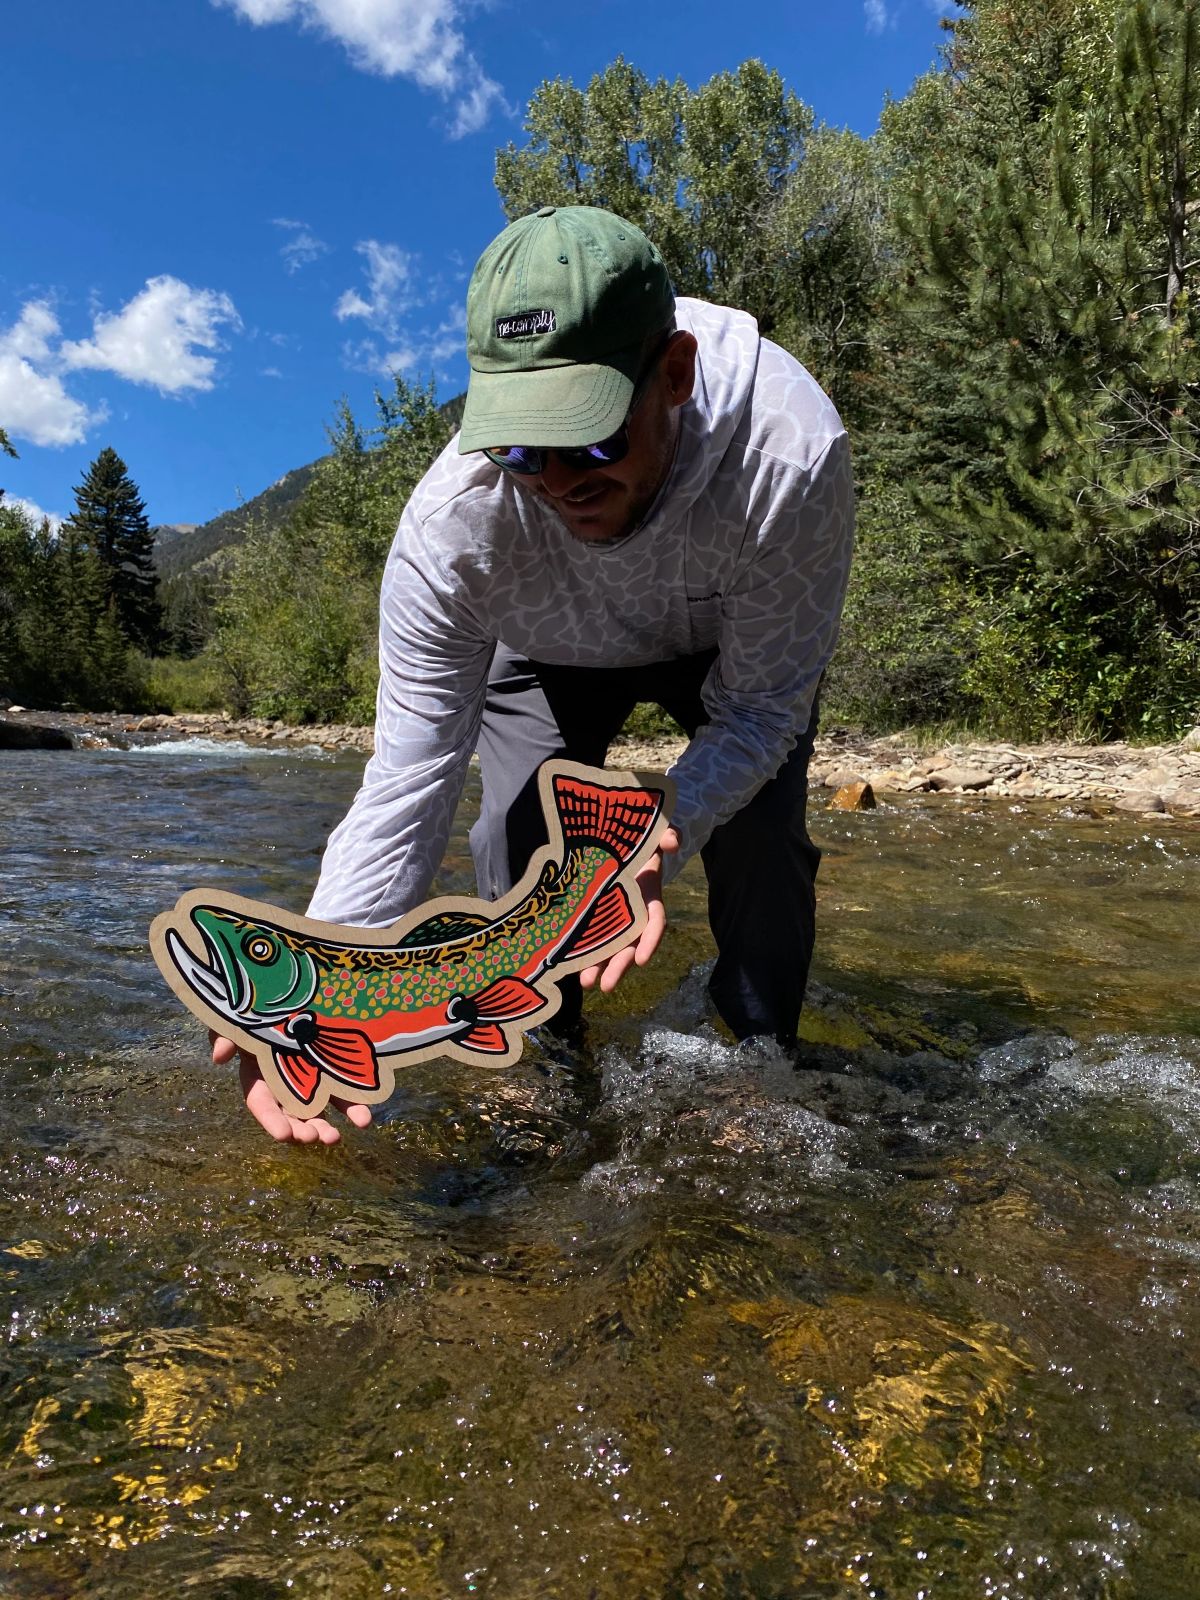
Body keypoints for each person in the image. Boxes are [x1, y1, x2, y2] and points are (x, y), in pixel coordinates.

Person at [218, 204, 855, 1143]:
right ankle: (549, 1076)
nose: (558, 481)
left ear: (673, 375)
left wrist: (659, 829)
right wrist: (327, 974)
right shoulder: (455, 528)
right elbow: (409, 772)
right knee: (515, 844)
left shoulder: (787, 457)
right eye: (520, 447)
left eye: (593, 437)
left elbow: (763, 712)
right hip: (543, 647)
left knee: (759, 840)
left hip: (726, 643)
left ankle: (761, 1061)